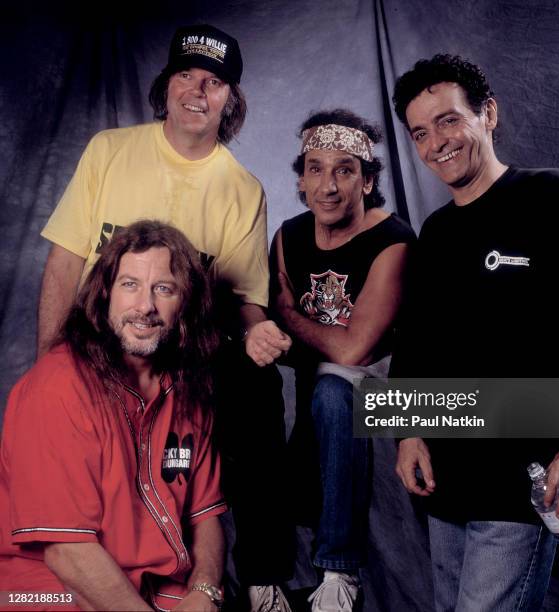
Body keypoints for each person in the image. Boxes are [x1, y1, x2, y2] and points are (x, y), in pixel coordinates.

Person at [36, 24, 293, 611]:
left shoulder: (241, 189)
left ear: (231, 99)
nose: (197, 92)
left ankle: (261, 576)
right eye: (186, 76)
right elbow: (64, 260)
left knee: (256, 388)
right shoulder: (110, 149)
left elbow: (242, 296)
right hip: (96, 346)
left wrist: (257, 329)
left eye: (214, 83)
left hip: (180, 354)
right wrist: (49, 360)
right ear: (166, 84)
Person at [391, 54, 559, 611]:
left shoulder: (553, 196)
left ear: (488, 114)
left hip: (522, 481)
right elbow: (417, 341)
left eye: (448, 120)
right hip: (449, 479)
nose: (436, 142)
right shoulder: (434, 232)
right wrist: (407, 433)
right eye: (419, 132)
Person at [0, 220, 226, 611]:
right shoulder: (58, 388)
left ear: (185, 303)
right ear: (104, 294)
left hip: (147, 584)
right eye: (130, 284)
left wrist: (204, 590)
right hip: (45, 585)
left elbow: (206, 515)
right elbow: (66, 551)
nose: (145, 306)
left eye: (164, 288)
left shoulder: (189, 391)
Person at [271, 109, 414, 612]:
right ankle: (263, 577)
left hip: (393, 393)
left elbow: (356, 350)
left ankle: (339, 573)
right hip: (319, 385)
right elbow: (274, 328)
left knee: (334, 385)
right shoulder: (289, 236)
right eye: (315, 168)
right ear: (301, 178)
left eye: (344, 170)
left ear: (368, 179)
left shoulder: (393, 241)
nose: (327, 186)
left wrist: (290, 312)